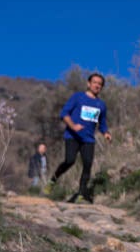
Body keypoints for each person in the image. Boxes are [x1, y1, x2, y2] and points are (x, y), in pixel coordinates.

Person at [48, 73, 111, 203]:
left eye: (100, 84)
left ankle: (81, 194)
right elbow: (64, 114)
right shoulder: (78, 97)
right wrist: (73, 126)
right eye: (95, 82)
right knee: (70, 160)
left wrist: (106, 133)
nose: (97, 85)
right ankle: (53, 179)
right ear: (89, 84)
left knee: (87, 165)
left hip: (88, 140)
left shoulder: (101, 105)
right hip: (72, 136)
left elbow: (102, 124)